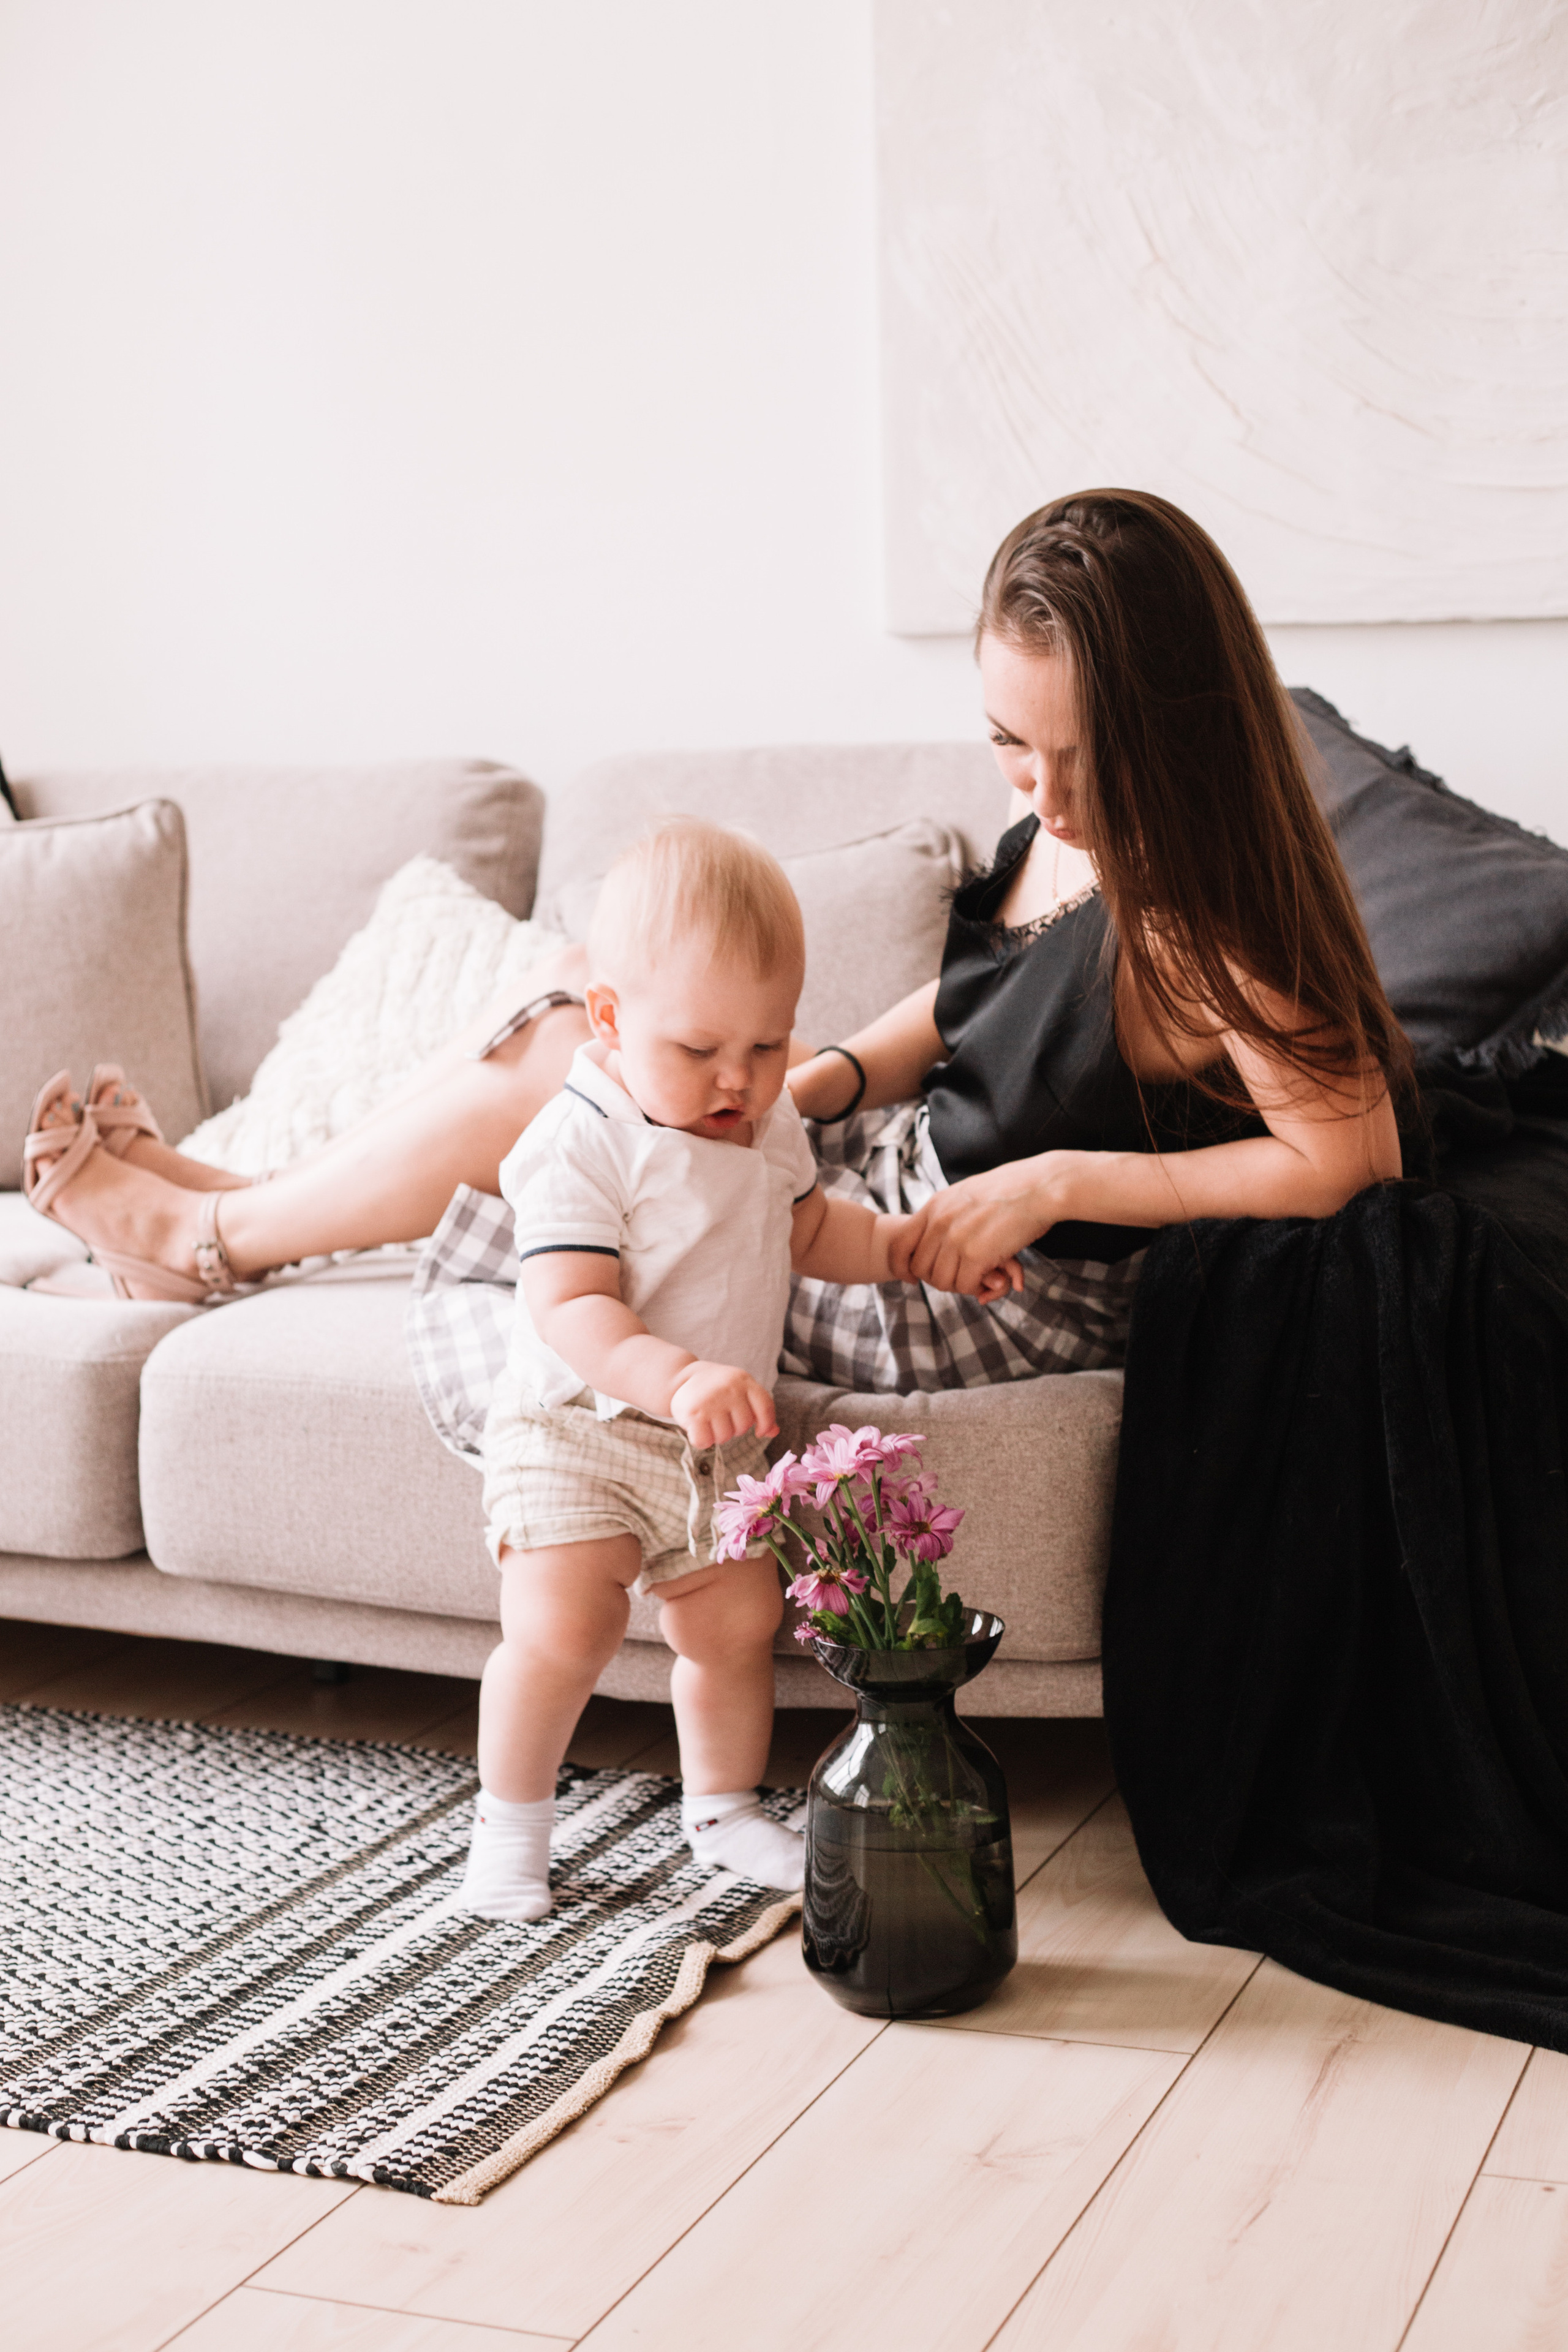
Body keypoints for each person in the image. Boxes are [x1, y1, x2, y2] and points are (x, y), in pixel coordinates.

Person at [24, 489, 1406, 1414]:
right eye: (1007, 745)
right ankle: (246, 1199)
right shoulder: (1061, 828)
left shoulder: (1205, 918)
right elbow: (988, 989)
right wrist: (826, 1079)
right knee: (582, 1012)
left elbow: (1351, 1158)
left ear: (1172, 725)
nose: (1039, 796)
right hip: (907, 1163)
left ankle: (210, 1242)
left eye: (1078, 758)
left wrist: (1056, 1181)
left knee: (588, 1072)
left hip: (971, 1277)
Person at [459, 819, 1016, 1921]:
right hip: (582, 1427)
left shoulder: (764, 1127)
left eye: (768, 1048)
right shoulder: (580, 1141)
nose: (740, 1080)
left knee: (732, 1627)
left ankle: (719, 1810)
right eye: (702, 1050)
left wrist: (905, 1251)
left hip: (718, 1443)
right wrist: (671, 1379)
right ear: (612, 1021)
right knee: (563, 1631)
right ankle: (508, 1831)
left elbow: (807, 1233)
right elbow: (571, 1306)